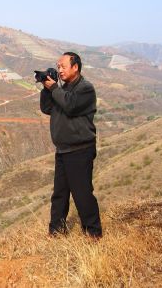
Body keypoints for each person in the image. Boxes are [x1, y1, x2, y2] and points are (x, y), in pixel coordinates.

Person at [40, 52, 102, 238]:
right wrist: (46, 88)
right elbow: (47, 108)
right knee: (59, 194)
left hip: (80, 150)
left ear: (75, 67)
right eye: (58, 67)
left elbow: (70, 105)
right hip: (63, 150)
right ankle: (56, 231)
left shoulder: (85, 89)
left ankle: (93, 233)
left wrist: (54, 89)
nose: (59, 70)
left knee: (82, 194)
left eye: (63, 66)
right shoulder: (62, 89)